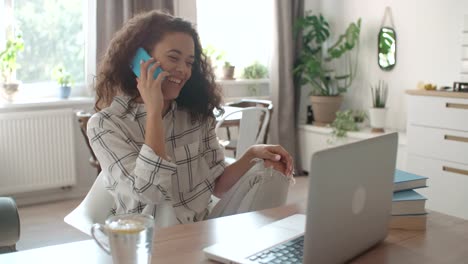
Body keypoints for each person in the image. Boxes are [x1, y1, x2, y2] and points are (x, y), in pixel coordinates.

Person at [88, 10, 294, 226]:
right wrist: (154, 110)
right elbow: (150, 192)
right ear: (141, 60)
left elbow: (219, 186)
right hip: (151, 239)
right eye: (174, 58)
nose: (183, 70)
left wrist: (251, 154)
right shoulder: (105, 125)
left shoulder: (196, 115)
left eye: (189, 62)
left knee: (273, 167)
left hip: (201, 229)